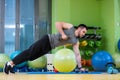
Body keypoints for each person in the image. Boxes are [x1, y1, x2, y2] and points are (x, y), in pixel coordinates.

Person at [4, 22, 88, 74]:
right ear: (79, 29)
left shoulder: (76, 41)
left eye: (85, 33)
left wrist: (80, 67)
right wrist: (62, 33)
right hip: (47, 40)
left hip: (50, 46)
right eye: (83, 31)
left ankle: (12, 65)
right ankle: (9, 63)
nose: (84, 34)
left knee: (31, 57)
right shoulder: (70, 27)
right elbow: (58, 23)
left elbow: (77, 54)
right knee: (29, 52)